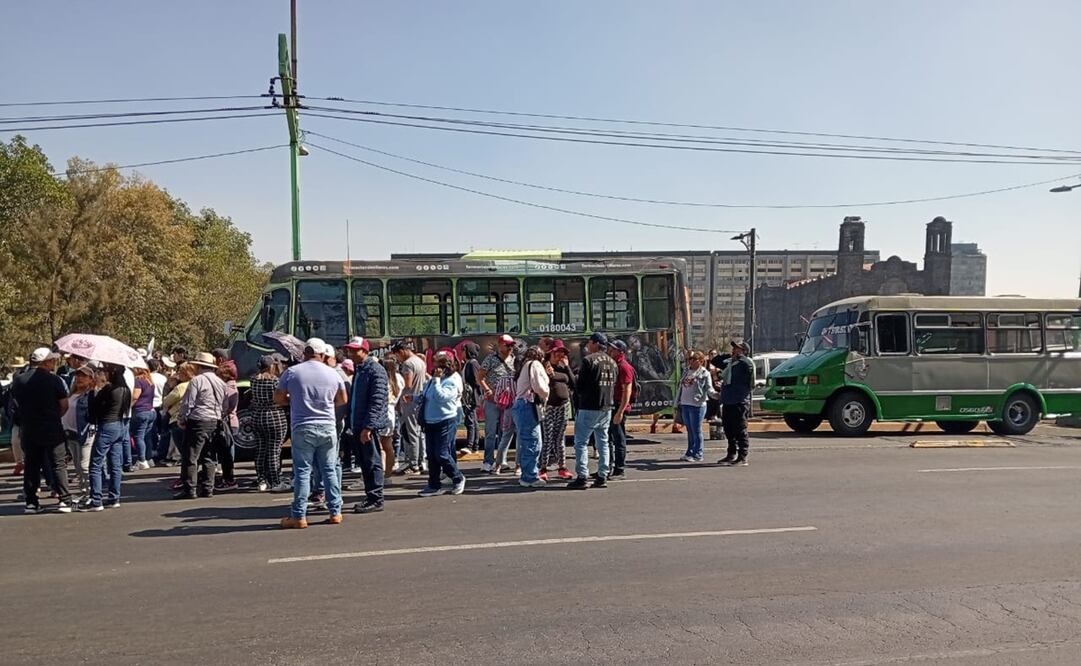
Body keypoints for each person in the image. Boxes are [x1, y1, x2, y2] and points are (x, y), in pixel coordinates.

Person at [275, 338, 348, 528]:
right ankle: (335, 512)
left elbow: (278, 398)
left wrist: (295, 400)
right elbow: (342, 399)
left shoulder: (291, 372)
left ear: (304, 352)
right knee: (329, 469)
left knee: (302, 472)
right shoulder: (333, 374)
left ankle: (299, 515)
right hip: (328, 426)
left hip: (302, 426)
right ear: (323, 354)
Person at [12, 348, 73, 513]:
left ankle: (31, 501)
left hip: (29, 427)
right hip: (51, 425)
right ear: (46, 362)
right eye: (52, 361)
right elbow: (64, 405)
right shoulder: (54, 380)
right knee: (58, 463)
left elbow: (15, 403)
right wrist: (54, 415)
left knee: (31, 465)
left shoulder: (18, 380)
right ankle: (65, 500)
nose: (54, 363)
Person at [342, 336, 388, 514]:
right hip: (358, 424)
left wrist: (368, 427)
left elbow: (377, 401)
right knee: (364, 462)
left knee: (372, 461)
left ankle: (376, 498)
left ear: (365, 351)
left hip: (367, 427)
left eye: (355, 350)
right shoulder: (360, 370)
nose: (351, 353)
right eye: (350, 350)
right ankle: (370, 496)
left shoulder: (375, 371)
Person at [173, 353, 227, 500]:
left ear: (198, 366)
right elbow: (225, 405)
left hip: (198, 420)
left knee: (191, 456)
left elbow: (188, 403)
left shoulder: (197, 381)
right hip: (214, 420)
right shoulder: (221, 382)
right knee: (209, 455)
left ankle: (190, 489)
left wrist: (182, 418)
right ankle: (208, 488)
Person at [78, 363, 131, 511]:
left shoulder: (109, 389)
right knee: (115, 464)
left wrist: (95, 392)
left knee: (95, 464)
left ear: (112, 373)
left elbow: (94, 408)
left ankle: (96, 500)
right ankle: (114, 497)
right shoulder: (125, 389)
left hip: (107, 425)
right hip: (120, 425)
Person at [568, 333, 617, 489]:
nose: (587, 345)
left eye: (589, 342)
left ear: (595, 343)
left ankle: (582, 476)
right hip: (606, 406)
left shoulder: (589, 360)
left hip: (589, 406)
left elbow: (580, 386)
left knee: (581, 443)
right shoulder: (612, 362)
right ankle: (603, 475)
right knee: (603, 442)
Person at [417, 351, 467, 497]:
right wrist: (414, 398)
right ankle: (433, 485)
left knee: (442, 453)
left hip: (445, 420)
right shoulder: (435, 379)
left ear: (447, 366)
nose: (436, 369)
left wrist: (437, 380)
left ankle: (457, 477)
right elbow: (427, 395)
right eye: (435, 365)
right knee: (431, 455)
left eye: (439, 365)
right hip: (430, 421)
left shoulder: (452, 380)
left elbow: (442, 397)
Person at [476, 334, 516, 474]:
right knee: (491, 432)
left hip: (508, 402)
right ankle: (488, 461)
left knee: (505, 432)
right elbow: (480, 377)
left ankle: (501, 460)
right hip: (492, 401)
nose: (511, 348)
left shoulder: (514, 360)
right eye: (508, 345)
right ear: (500, 345)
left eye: (512, 345)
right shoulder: (490, 359)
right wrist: (487, 389)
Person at [250, 355, 290, 492]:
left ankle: (261, 479)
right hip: (274, 415)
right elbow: (282, 398)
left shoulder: (253, 380)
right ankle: (275, 481)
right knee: (274, 450)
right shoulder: (275, 381)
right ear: (270, 366)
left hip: (257, 416)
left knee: (260, 449)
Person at [512, 346, 549, 488]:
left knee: (528, 441)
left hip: (521, 405)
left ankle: (528, 474)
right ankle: (529, 477)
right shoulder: (535, 364)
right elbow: (540, 386)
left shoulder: (525, 365)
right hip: (528, 405)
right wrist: (546, 395)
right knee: (533, 442)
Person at [714, 340, 756, 466]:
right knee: (729, 429)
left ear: (744, 351)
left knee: (740, 429)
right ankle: (731, 454)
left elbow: (749, 366)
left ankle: (742, 456)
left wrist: (740, 356)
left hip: (739, 401)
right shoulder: (730, 364)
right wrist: (729, 355)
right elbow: (715, 361)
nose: (734, 350)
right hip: (728, 400)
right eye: (734, 348)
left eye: (737, 348)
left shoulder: (746, 363)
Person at [540, 340, 575, 481]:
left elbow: (573, 383)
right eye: (557, 352)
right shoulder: (545, 367)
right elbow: (540, 385)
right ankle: (543, 468)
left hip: (563, 405)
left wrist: (567, 368)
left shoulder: (563, 368)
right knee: (548, 437)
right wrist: (547, 375)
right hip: (549, 406)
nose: (560, 355)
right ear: (551, 353)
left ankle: (562, 467)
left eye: (562, 352)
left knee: (560, 438)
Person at [391, 340, 428, 475]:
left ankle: (413, 463)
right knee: (418, 433)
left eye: (397, 356)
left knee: (410, 432)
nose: (398, 359)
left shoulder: (407, 364)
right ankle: (420, 460)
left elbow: (408, 384)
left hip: (409, 401)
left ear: (401, 351)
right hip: (419, 400)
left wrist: (399, 398)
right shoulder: (420, 361)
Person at [675, 351, 719, 463]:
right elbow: (681, 387)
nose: (691, 361)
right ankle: (689, 452)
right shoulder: (686, 370)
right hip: (685, 403)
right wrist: (677, 402)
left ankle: (698, 453)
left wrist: (718, 395)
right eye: (690, 359)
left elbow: (709, 389)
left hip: (697, 405)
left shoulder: (704, 373)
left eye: (694, 359)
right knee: (689, 430)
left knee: (696, 430)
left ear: (701, 361)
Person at [61, 365, 95, 493]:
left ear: (91, 379)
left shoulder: (90, 394)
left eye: (84, 376)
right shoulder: (72, 394)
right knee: (77, 465)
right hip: (70, 433)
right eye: (78, 375)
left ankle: (89, 491)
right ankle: (83, 490)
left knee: (84, 465)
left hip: (85, 433)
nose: (79, 378)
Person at [607, 339, 636, 479]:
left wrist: (620, 412)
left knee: (618, 438)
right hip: (612, 404)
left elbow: (627, 391)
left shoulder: (624, 367)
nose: (610, 351)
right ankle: (608, 467)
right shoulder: (614, 365)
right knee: (608, 438)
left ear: (621, 352)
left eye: (613, 349)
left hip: (619, 405)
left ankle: (619, 469)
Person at [162, 363, 195, 478]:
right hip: (191, 419)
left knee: (184, 452)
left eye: (180, 372)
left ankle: (186, 477)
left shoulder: (181, 387)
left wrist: (170, 387)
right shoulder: (196, 383)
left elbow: (166, 401)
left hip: (177, 419)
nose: (178, 374)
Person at [214, 361, 239, 490]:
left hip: (228, 421)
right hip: (230, 420)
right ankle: (228, 477)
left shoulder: (229, 387)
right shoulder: (230, 385)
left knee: (227, 451)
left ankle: (229, 479)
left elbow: (227, 407)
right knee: (227, 450)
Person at [129, 366, 156, 470]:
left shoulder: (138, 380)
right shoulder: (149, 381)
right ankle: (149, 458)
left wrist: (128, 406)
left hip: (140, 411)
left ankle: (142, 460)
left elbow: (136, 396)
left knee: (138, 436)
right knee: (146, 436)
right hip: (150, 411)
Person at [381, 357, 405, 475]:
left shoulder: (383, 379)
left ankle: (381, 471)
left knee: (380, 446)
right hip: (391, 411)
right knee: (388, 445)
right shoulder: (399, 378)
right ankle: (388, 473)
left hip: (382, 411)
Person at [459, 342, 483, 453]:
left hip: (471, 397)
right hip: (470, 396)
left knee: (470, 421)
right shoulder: (468, 363)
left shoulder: (472, 364)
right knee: (472, 420)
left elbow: (477, 381)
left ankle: (471, 445)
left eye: (463, 350)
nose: (462, 353)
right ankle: (474, 446)